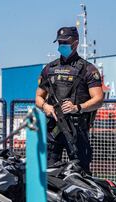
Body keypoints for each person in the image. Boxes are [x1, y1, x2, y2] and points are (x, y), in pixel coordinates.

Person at [35, 26, 104, 174]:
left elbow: (98, 99)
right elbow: (38, 97)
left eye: (65, 42)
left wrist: (78, 107)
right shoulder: (50, 68)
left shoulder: (88, 69)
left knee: (81, 175)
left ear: (76, 43)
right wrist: (45, 106)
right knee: (49, 174)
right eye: (59, 42)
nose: (62, 45)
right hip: (53, 130)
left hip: (76, 130)